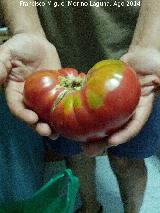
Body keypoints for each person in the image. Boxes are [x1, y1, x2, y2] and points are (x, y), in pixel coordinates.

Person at [0, 0, 160, 212]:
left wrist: (149, 42)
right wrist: (25, 28)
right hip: (50, 56)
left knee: (128, 161)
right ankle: (90, 208)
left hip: (138, 67)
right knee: (75, 155)